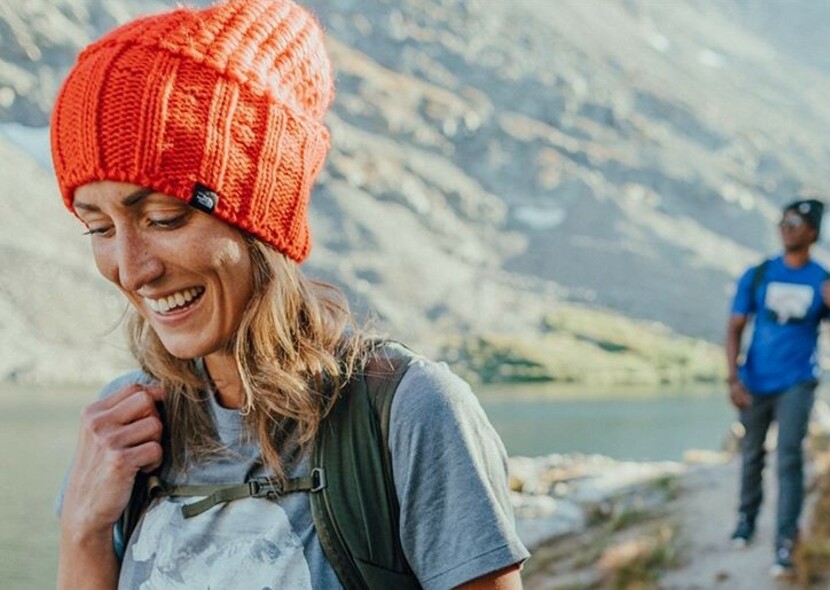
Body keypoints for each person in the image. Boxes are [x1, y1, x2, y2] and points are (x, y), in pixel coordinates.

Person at [50, 1, 529, 588]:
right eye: (98, 228)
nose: (131, 269)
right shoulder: (124, 423)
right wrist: (84, 528)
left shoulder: (409, 412)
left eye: (165, 217)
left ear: (260, 220)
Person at [726, 198, 830, 577]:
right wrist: (733, 378)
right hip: (755, 381)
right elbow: (734, 328)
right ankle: (746, 520)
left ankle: (785, 541)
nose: (786, 227)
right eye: (783, 221)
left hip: (798, 381)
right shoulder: (760, 273)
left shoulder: (827, 281)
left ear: (812, 231)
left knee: (789, 458)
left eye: (795, 222)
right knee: (751, 454)